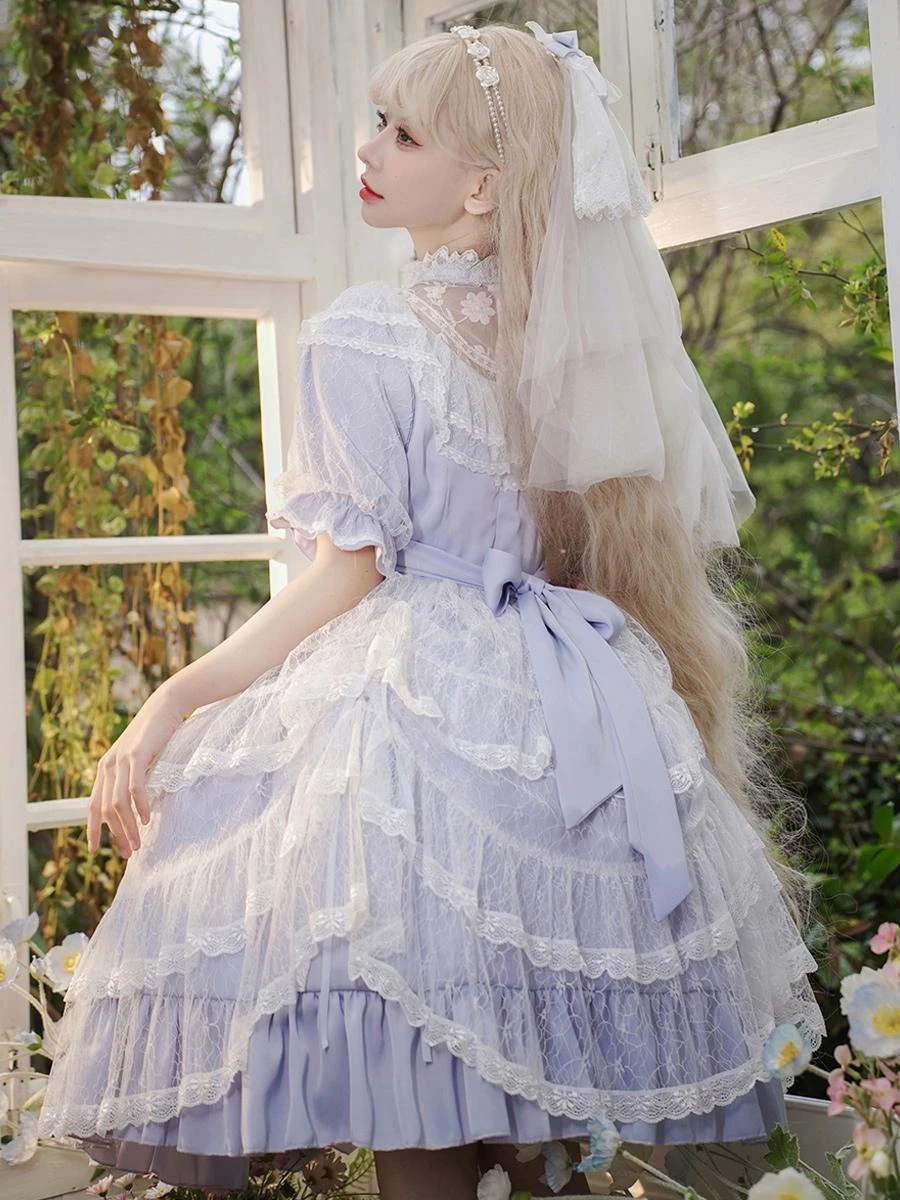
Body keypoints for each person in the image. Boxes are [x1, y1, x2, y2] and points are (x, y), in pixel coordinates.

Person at [35, 21, 826, 1200]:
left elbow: (345, 575)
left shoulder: (367, 330)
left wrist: (175, 699)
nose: (368, 150)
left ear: (482, 186)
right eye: (379, 124)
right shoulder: (565, 336)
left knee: (417, 1081)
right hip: (569, 704)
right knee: (525, 1100)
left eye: (404, 135)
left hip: (417, 715)